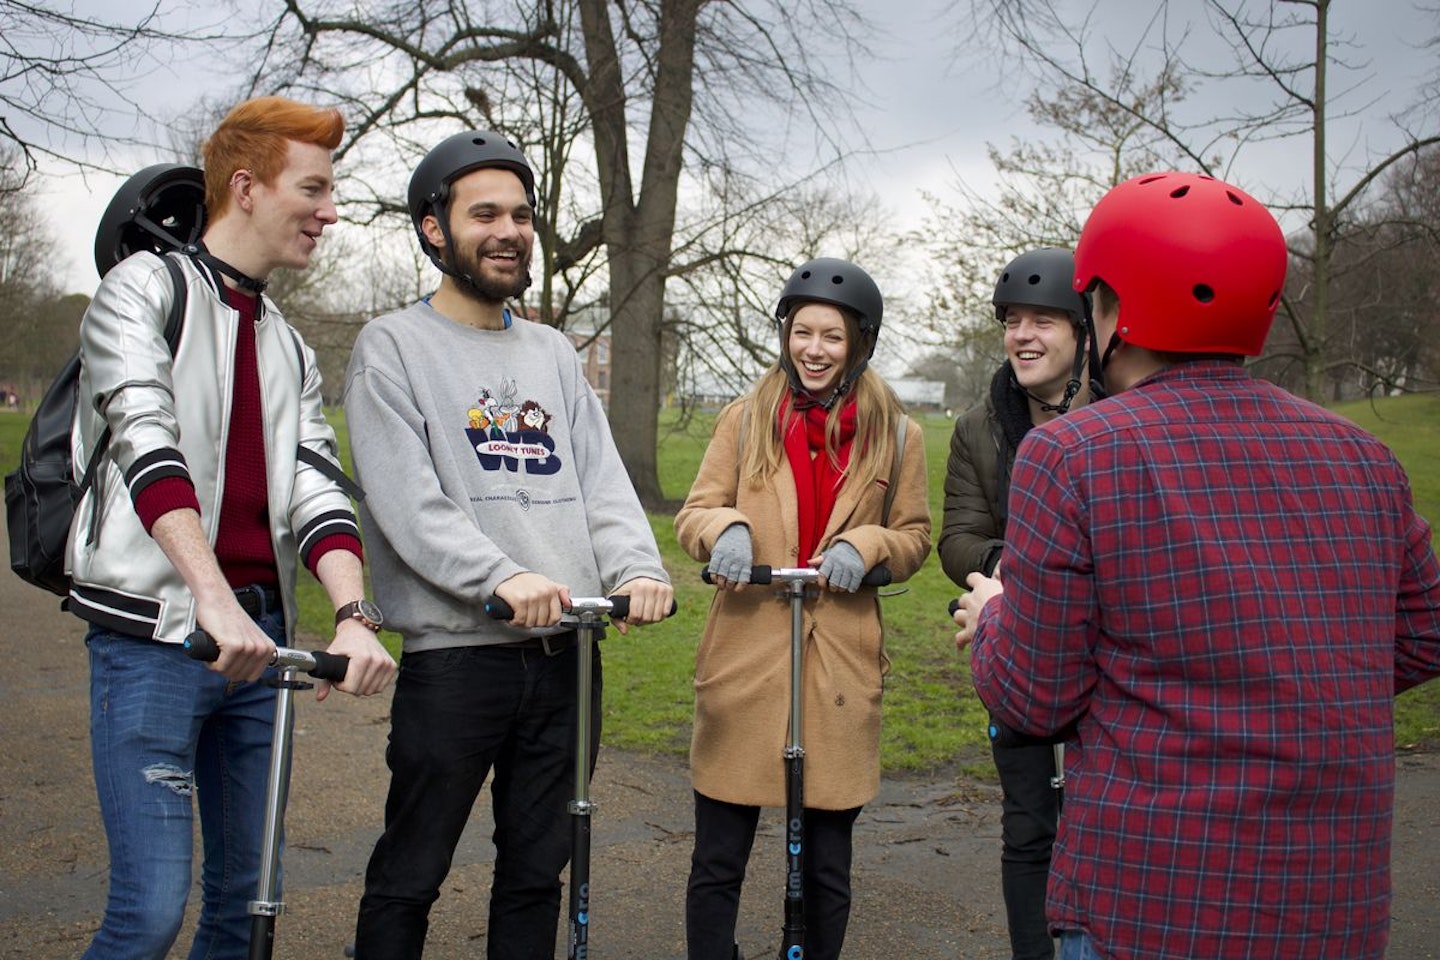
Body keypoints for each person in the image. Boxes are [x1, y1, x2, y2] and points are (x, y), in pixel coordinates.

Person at [953, 172, 1440, 959]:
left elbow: (1035, 699)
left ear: (1110, 309)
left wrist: (995, 616)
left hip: (1152, 902)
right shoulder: (1364, 456)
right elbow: (1423, 634)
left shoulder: (1072, 453)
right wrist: (1287, 674)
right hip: (1332, 908)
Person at [70, 96, 397, 960]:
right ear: (246, 187)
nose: (331, 212)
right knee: (146, 913)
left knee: (247, 909)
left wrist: (354, 615)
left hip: (261, 645)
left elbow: (316, 486)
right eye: (315, 189)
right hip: (156, 643)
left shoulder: (286, 342)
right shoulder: (141, 290)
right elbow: (148, 443)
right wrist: (211, 602)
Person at [345, 130, 674, 959]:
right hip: (459, 659)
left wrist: (636, 566)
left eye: (522, 215)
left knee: (536, 873)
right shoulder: (392, 347)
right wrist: (500, 577)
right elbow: (407, 504)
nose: (509, 230)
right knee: (411, 872)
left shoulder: (554, 352)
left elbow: (601, 480)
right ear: (433, 229)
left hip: (566, 657)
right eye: (484, 212)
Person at [675, 258, 932, 960]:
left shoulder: (899, 435)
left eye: (833, 337)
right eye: (802, 332)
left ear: (859, 345)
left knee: (826, 865)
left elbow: (915, 537)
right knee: (718, 857)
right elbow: (697, 510)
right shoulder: (745, 418)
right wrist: (724, 529)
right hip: (748, 656)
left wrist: (868, 544)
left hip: (839, 669)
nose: (813, 349)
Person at [938, 247, 1098, 960]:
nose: (1024, 335)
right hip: (1020, 646)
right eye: (1013, 322)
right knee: (1029, 823)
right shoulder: (980, 426)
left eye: (1043, 320)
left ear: (1082, 330)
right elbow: (958, 539)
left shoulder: (1121, 407)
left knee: (1103, 820)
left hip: (1109, 655)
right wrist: (1021, 566)